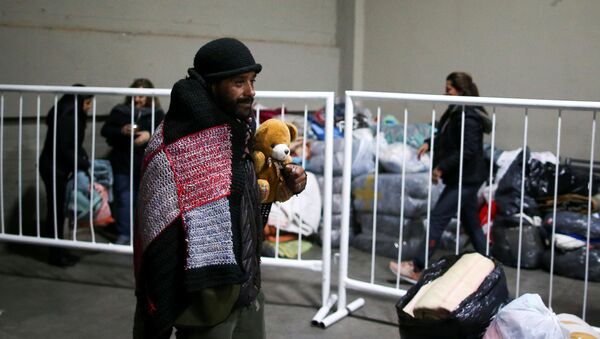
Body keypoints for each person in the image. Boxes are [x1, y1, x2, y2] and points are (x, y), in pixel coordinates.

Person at [133, 38, 307, 339]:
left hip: (248, 284)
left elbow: (244, 199)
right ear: (210, 84)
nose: (250, 92)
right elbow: (157, 230)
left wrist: (286, 186)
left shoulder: (239, 130)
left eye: (252, 81)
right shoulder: (174, 145)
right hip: (204, 300)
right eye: (239, 82)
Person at [390, 72, 492, 283]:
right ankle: (489, 266)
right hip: (462, 177)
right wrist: (430, 142)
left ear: (461, 91)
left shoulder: (469, 117)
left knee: (437, 217)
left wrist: (442, 167)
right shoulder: (455, 111)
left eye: (449, 89)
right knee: (471, 221)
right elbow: (444, 135)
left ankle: (417, 267)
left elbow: (467, 150)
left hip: (467, 178)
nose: (445, 93)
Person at [101, 78, 165, 245]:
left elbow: (165, 132)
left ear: (149, 97)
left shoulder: (156, 113)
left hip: (146, 164)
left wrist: (149, 135)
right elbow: (106, 130)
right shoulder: (120, 111)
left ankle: (141, 237)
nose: (138, 99)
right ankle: (124, 234)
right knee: (124, 198)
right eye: (136, 95)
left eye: (142, 96)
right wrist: (122, 130)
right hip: (123, 162)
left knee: (144, 200)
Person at [39, 85, 94, 267]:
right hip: (55, 168)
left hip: (55, 166)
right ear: (78, 102)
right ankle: (56, 253)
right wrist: (85, 163)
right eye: (87, 102)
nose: (89, 107)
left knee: (57, 210)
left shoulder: (64, 114)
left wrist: (82, 156)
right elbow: (65, 149)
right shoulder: (69, 119)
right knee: (56, 211)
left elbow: (70, 146)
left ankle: (59, 249)